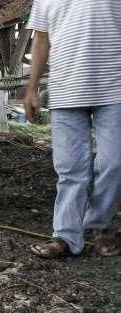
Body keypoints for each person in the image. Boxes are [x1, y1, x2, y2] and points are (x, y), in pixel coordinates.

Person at [24, 0, 121, 258]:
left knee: (115, 163)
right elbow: (42, 41)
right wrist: (32, 87)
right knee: (70, 169)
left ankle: (99, 222)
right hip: (66, 91)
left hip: (114, 88)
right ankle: (65, 236)